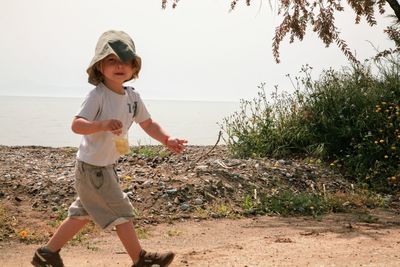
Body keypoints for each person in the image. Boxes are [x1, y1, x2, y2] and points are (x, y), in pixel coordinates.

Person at [31, 30, 187, 267]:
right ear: (99, 67)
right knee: (120, 209)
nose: (119, 66)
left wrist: (167, 139)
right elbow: (77, 125)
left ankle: (47, 254)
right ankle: (140, 259)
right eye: (111, 60)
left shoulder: (133, 97)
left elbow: (147, 123)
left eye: (125, 61)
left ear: (134, 68)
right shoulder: (97, 96)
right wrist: (101, 124)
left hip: (105, 166)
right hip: (92, 168)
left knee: (82, 213)